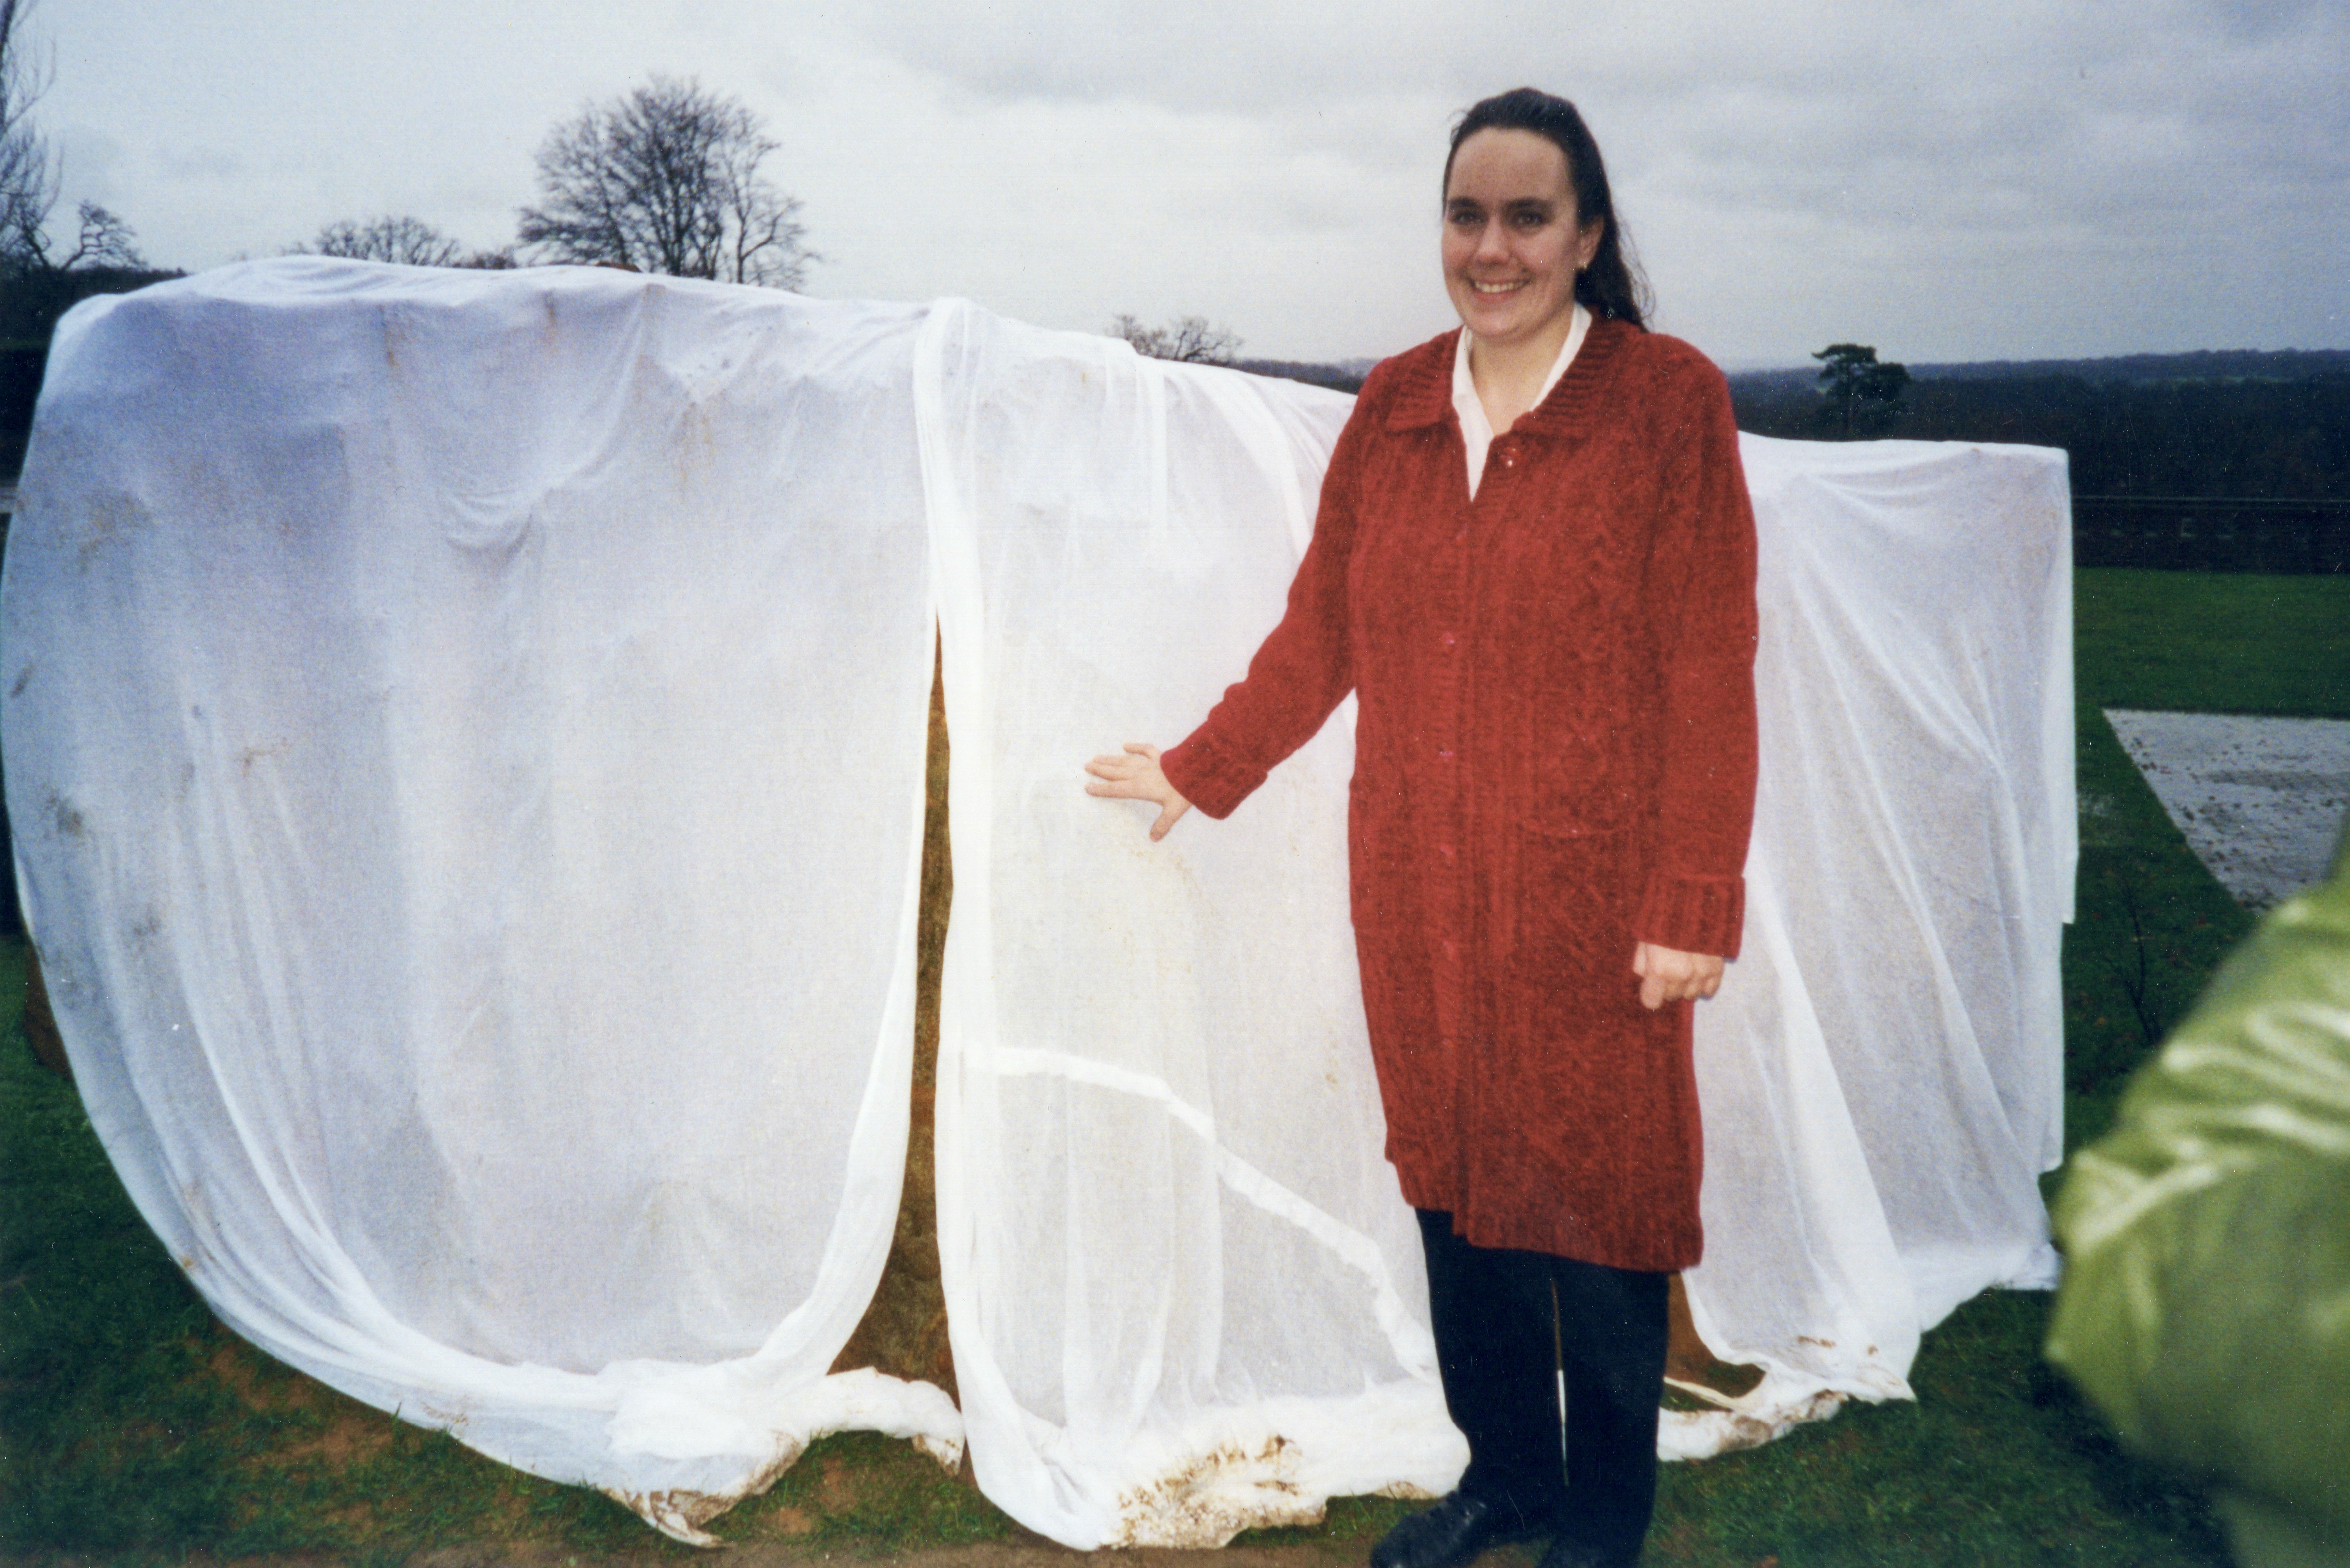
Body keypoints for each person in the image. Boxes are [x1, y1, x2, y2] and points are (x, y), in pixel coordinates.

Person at [1087, 87, 1758, 1568]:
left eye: (1529, 215)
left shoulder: (1665, 404)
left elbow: (1709, 659)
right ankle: (1505, 1473)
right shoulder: (1392, 409)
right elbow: (1321, 628)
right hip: (1418, 887)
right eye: (1468, 215)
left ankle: (1598, 1519)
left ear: (1587, 235)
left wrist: (1693, 895)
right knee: (1459, 1193)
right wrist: (1202, 767)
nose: (1493, 245)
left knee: (1597, 1210)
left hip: (1598, 900)